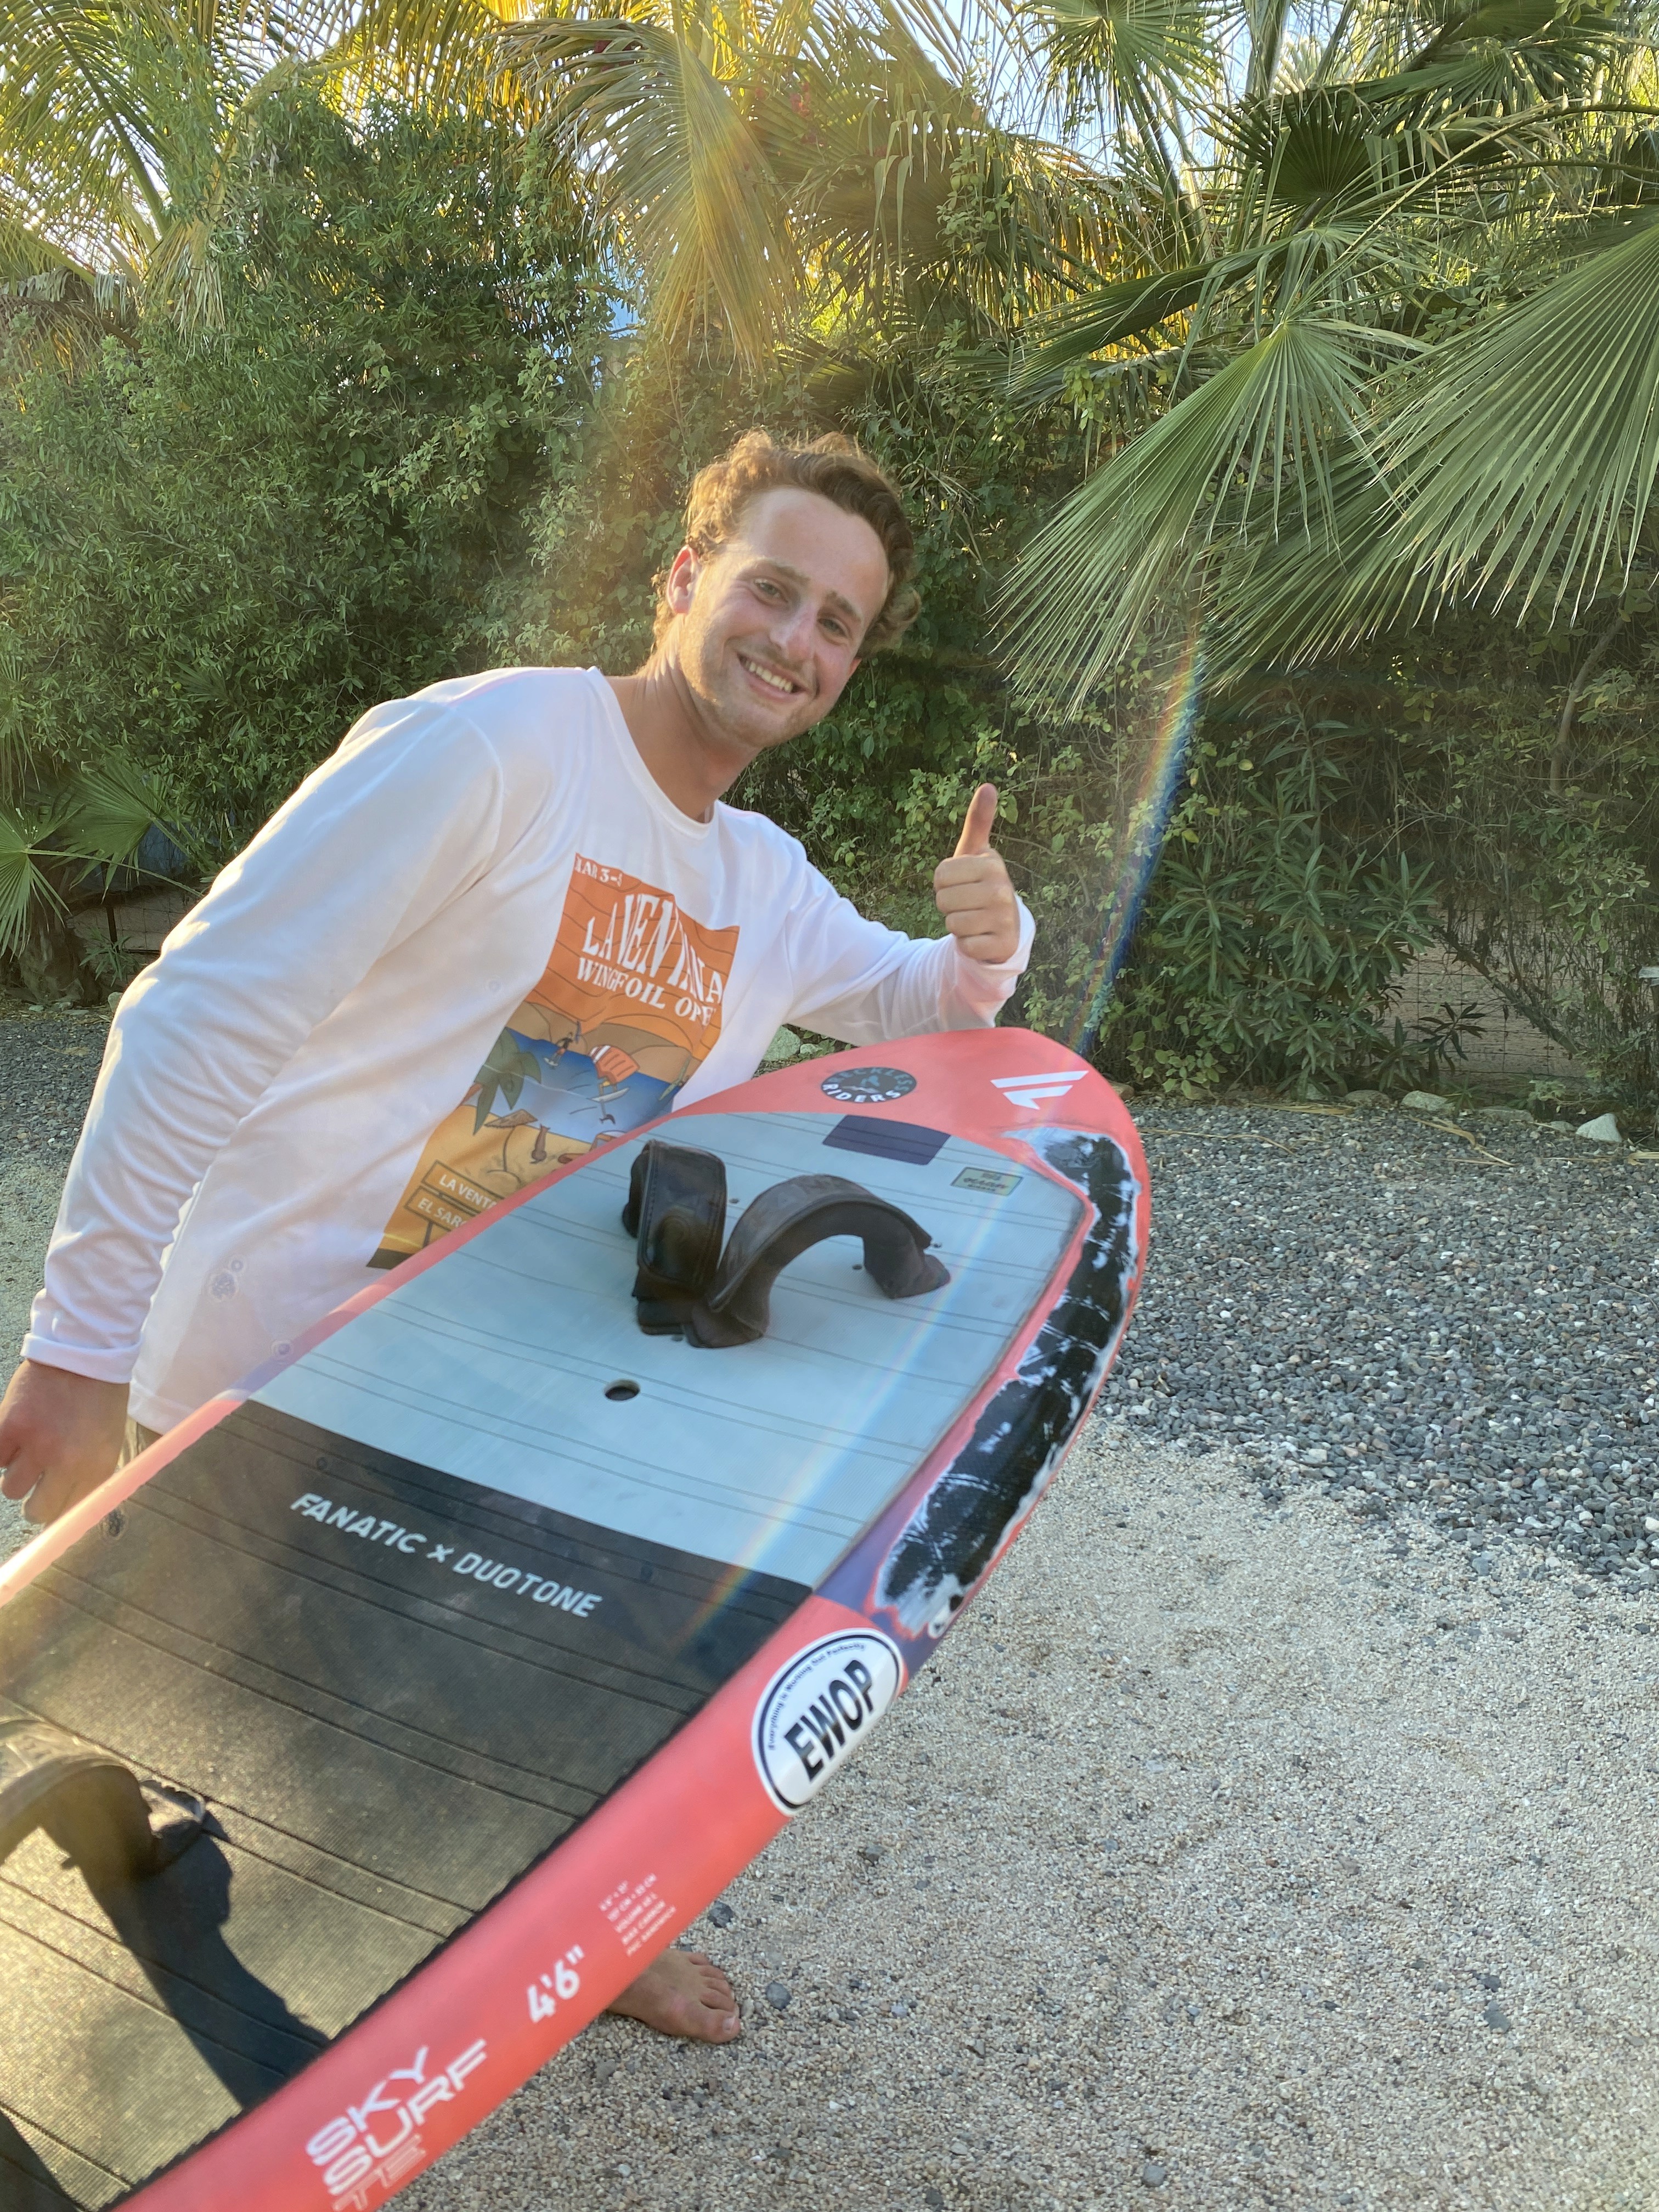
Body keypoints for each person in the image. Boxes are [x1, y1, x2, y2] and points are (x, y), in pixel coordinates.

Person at [0, 426, 1031, 2042]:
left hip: (497, 1398)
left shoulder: (758, 879)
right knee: (135, 1713)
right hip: (274, 1376)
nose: (798, 640)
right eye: (773, 588)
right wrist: (77, 1346)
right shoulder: (488, 750)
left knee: (598, 1663)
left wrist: (988, 943)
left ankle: (570, 1934)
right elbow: (190, 1018)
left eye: (840, 622)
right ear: (684, 578)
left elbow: (913, 1001)